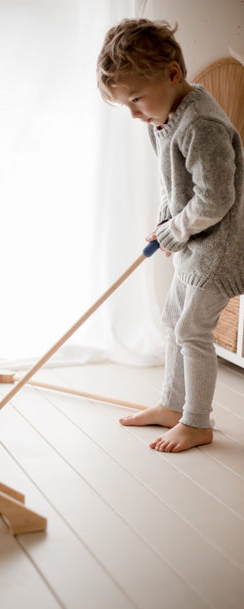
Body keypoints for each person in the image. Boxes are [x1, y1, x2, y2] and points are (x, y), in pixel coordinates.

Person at [96, 18, 244, 452]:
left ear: (173, 75)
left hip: (220, 248)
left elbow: (215, 199)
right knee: (172, 322)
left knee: (192, 331)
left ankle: (197, 422)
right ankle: (172, 405)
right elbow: (172, 182)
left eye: (137, 99)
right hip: (196, 242)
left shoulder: (201, 125)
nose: (135, 113)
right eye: (126, 105)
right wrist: (165, 226)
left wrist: (175, 233)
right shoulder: (161, 116)